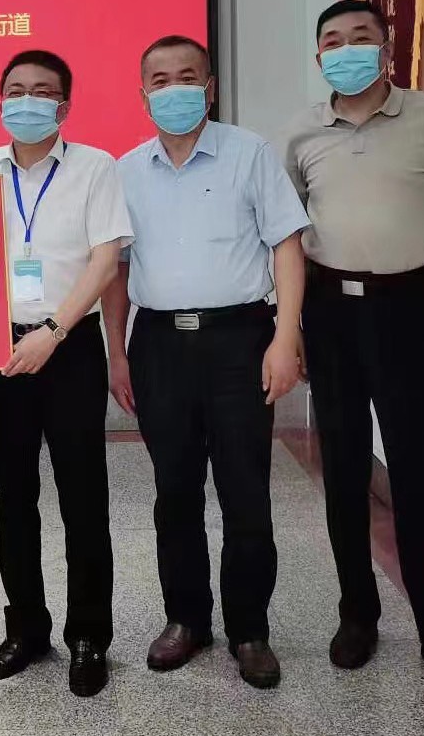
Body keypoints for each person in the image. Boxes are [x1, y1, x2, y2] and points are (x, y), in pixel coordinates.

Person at [285, 0, 424, 696]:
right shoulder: (302, 133)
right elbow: (287, 237)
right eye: (332, 41)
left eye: (360, 37)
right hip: (328, 312)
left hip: (406, 308)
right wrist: (288, 325)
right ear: (318, 55)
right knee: (343, 469)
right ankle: (358, 614)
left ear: (386, 45)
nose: (345, 49)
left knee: (417, 471)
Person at [102, 36, 309, 690]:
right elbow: (116, 268)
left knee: (245, 491)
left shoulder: (249, 153)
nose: (175, 89)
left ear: (210, 87)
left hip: (238, 340)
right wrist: (116, 351)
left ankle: (249, 629)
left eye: (187, 76)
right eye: (160, 80)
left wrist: (284, 338)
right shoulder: (125, 171)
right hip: (158, 346)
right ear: (143, 95)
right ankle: (186, 619)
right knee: (175, 492)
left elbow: (287, 246)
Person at [0, 50, 131, 698]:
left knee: (83, 498)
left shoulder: (95, 167)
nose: (26, 100)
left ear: (64, 105)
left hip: (70, 346)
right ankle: (26, 629)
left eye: (42, 91)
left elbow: (105, 261)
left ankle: (89, 635)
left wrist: (53, 331)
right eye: (15, 89)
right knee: (12, 500)